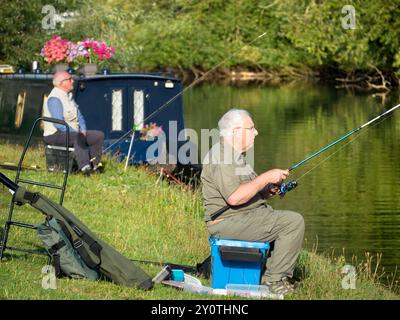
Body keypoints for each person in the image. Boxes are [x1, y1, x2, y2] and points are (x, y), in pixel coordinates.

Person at [201, 108, 305, 295]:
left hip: (243, 217)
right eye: (251, 128)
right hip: (228, 222)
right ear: (235, 131)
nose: (256, 132)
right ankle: (273, 281)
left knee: (285, 220)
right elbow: (234, 197)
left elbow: (249, 190)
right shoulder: (222, 156)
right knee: (292, 222)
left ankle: (268, 274)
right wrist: (265, 177)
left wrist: (267, 190)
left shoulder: (236, 157)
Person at [43, 71, 104, 175]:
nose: (73, 81)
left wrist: (83, 130)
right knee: (77, 137)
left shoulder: (68, 96)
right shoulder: (55, 99)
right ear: (62, 83)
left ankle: (95, 165)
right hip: (54, 135)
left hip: (71, 133)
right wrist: (77, 133)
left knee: (98, 136)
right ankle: (85, 168)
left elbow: (79, 116)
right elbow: (59, 124)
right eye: (70, 79)